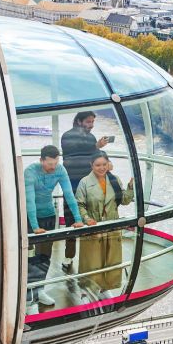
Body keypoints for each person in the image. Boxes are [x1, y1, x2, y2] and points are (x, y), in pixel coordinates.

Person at [24, 145, 84, 313]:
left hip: (49, 215)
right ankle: (27, 297)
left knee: (44, 256)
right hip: (29, 217)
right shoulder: (30, 172)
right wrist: (35, 227)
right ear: (41, 160)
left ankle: (39, 290)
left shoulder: (60, 169)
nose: (53, 167)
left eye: (55, 163)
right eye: (49, 164)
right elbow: (29, 201)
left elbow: (69, 195)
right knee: (27, 257)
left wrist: (78, 219)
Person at [75, 151, 134, 300]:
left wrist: (131, 187)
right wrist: (87, 219)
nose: (101, 168)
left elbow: (124, 201)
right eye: (97, 165)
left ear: (108, 164)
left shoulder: (114, 180)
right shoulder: (84, 182)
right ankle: (88, 287)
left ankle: (105, 287)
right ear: (91, 165)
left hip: (112, 225)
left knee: (110, 257)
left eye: (104, 164)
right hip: (93, 226)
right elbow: (79, 204)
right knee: (92, 259)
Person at [60, 111, 113, 269]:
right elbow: (74, 152)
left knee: (90, 217)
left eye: (92, 122)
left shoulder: (90, 138)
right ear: (78, 121)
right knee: (72, 220)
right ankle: (69, 257)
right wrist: (96, 146)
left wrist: (104, 159)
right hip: (72, 184)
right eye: (88, 122)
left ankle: (91, 257)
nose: (91, 125)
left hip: (88, 184)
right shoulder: (68, 136)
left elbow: (95, 157)